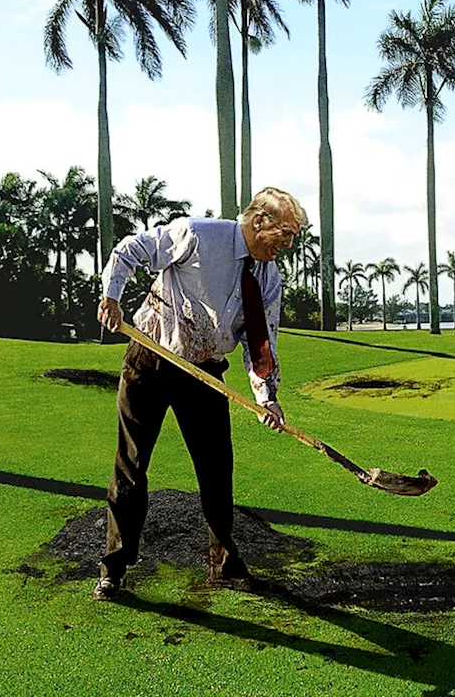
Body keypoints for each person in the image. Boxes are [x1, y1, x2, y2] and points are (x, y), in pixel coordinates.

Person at [92, 186, 306, 601]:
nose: (288, 244)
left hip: (205, 371)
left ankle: (224, 565)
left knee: (216, 468)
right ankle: (114, 569)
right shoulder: (197, 235)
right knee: (132, 466)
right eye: (285, 233)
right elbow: (130, 250)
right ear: (259, 221)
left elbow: (261, 340)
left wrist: (267, 397)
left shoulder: (268, 276)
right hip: (151, 358)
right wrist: (111, 298)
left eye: (293, 237)